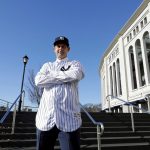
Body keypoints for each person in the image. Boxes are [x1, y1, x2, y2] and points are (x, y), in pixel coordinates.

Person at [35, 36, 84, 150]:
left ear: (68, 49)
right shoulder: (47, 65)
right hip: (46, 118)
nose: (60, 48)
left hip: (70, 119)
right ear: (54, 49)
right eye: (58, 46)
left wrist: (50, 76)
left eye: (63, 46)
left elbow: (75, 75)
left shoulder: (75, 64)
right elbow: (38, 81)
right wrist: (66, 76)